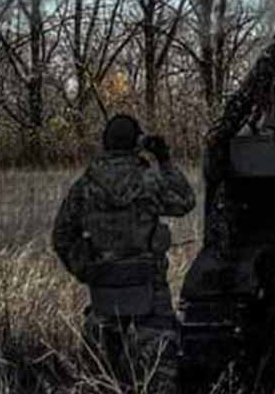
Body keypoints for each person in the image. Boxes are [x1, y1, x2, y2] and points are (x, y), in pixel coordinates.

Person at [52, 114, 197, 394]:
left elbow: (61, 236)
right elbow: (185, 201)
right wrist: (164, 161)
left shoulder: (85, 187)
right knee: (160, 371)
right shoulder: (149, 180)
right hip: (149, 290)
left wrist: (86, 268)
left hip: (104, 293)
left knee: (101, 376)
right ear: (137, 144)